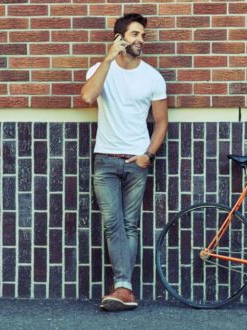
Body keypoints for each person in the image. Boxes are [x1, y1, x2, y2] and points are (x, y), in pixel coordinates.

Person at [81, 13, 168, 311]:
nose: (140, 40)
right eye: (134, 34)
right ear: (119, 39)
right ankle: (124, 288)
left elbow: (161, 122)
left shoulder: (153, 77)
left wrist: (148, 155)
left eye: (142, 35)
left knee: (129, 225)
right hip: (105, 159)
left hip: (136, 162)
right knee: (112, 223)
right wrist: (108, 59)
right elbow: (88, 97)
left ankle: (122, 288)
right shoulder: (99, 69)